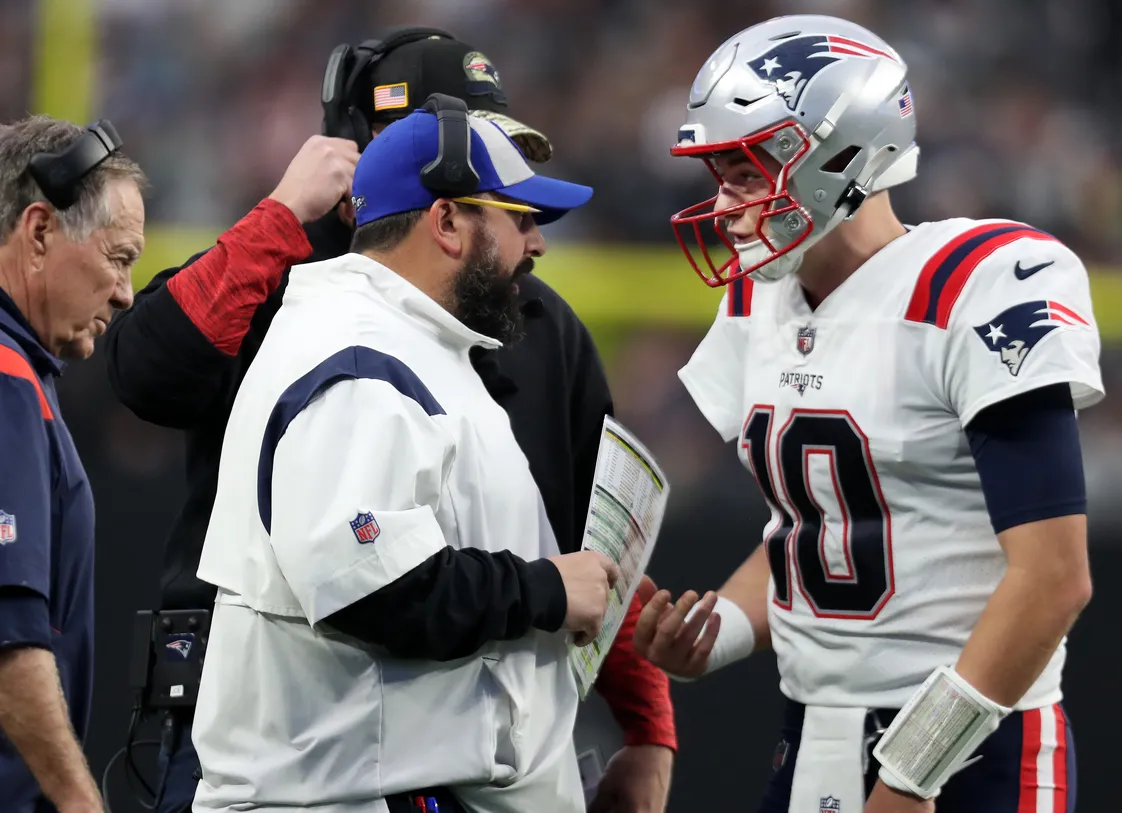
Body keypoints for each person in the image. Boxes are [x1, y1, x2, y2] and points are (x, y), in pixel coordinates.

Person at [104, 28, 675, 813]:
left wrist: (648, 726)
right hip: (305, 743)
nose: (533, 241)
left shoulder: (527, 319)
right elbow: (145, 373)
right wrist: (279, 217)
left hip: (456, 753)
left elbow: (593, 543)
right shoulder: (306, 297)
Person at [634, 14, 1100, 813]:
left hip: (974, 747)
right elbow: (818, 534)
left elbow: (1055, 579)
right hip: (813, 738)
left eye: (745, 172)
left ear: (836, 156)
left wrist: (914, 771)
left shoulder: (977, 285)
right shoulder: (758, 301)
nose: (726, 204)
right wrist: (721, 634)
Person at [189, 100, 615, 813]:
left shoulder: (414, 342)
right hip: (347, 792)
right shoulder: (359, 358)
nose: (536, 245)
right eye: (519, 217)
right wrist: (546, 588)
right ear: (445, 222)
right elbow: (371, 584)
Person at [0, 115, 146, 813]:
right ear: (38, 232)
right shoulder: (5, 379)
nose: (123, 292)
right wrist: (80, 802)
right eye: (118, 258)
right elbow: (9, 643)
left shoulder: (24, 372)